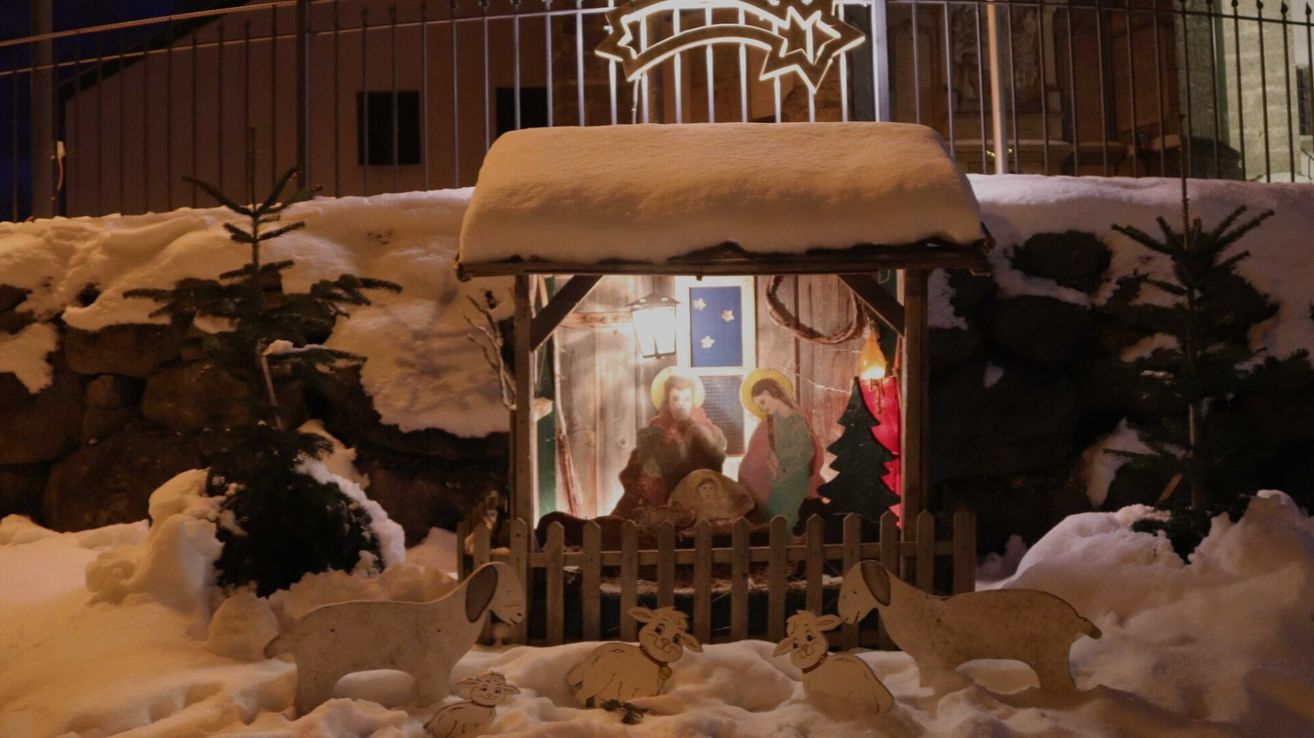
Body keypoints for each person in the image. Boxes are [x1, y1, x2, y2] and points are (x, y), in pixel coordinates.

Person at [611, 372, 727, 518]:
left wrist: (699, 435)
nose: (681, 404)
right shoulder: (656, 427)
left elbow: (715, 461)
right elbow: (644, 464)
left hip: (694, 492)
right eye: (676, 399)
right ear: (668, 400)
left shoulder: (705, 428)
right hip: (658, 494)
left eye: (686, 399)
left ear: (693, 401)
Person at [738, 374, 823, 528]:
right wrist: (771, 459)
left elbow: (806, 450)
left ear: (769, 394)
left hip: (796, 475)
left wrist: (782, 460)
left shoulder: (795, 419)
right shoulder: (774, 421)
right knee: (776, 509)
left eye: (763, 402)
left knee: (788, 512)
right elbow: (771, 448)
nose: (763, 408)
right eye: (759, 406)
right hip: (780, 476)